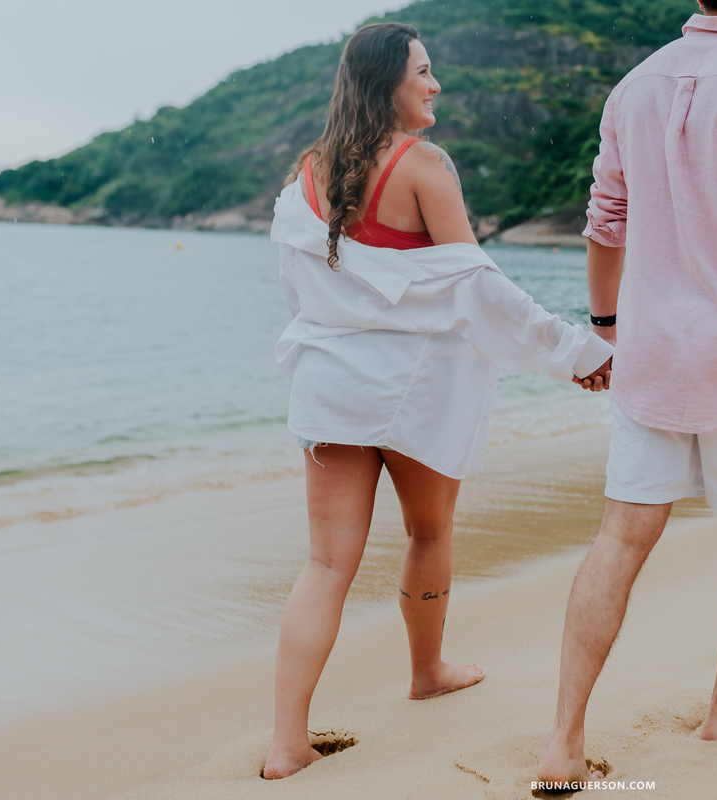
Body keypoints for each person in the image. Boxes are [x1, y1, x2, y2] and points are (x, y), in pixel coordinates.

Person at [263, 22, 613, 780]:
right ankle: (427, 673)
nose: (435, 84)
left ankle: (287, 742)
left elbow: (306, 292)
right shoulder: (424, 166)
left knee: (325, 565)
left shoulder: (311, 169)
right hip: (413, 391)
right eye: (423, 71)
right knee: (428, 533)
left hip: (331, 387)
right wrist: (578, 353)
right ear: (389, 81)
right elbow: (479, 291)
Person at [538, 0, 717, 784]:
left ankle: (564, 742)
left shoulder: (634, 85)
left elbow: (606, 220)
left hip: (652, 355)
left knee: (620, 538)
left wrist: (605, 328)